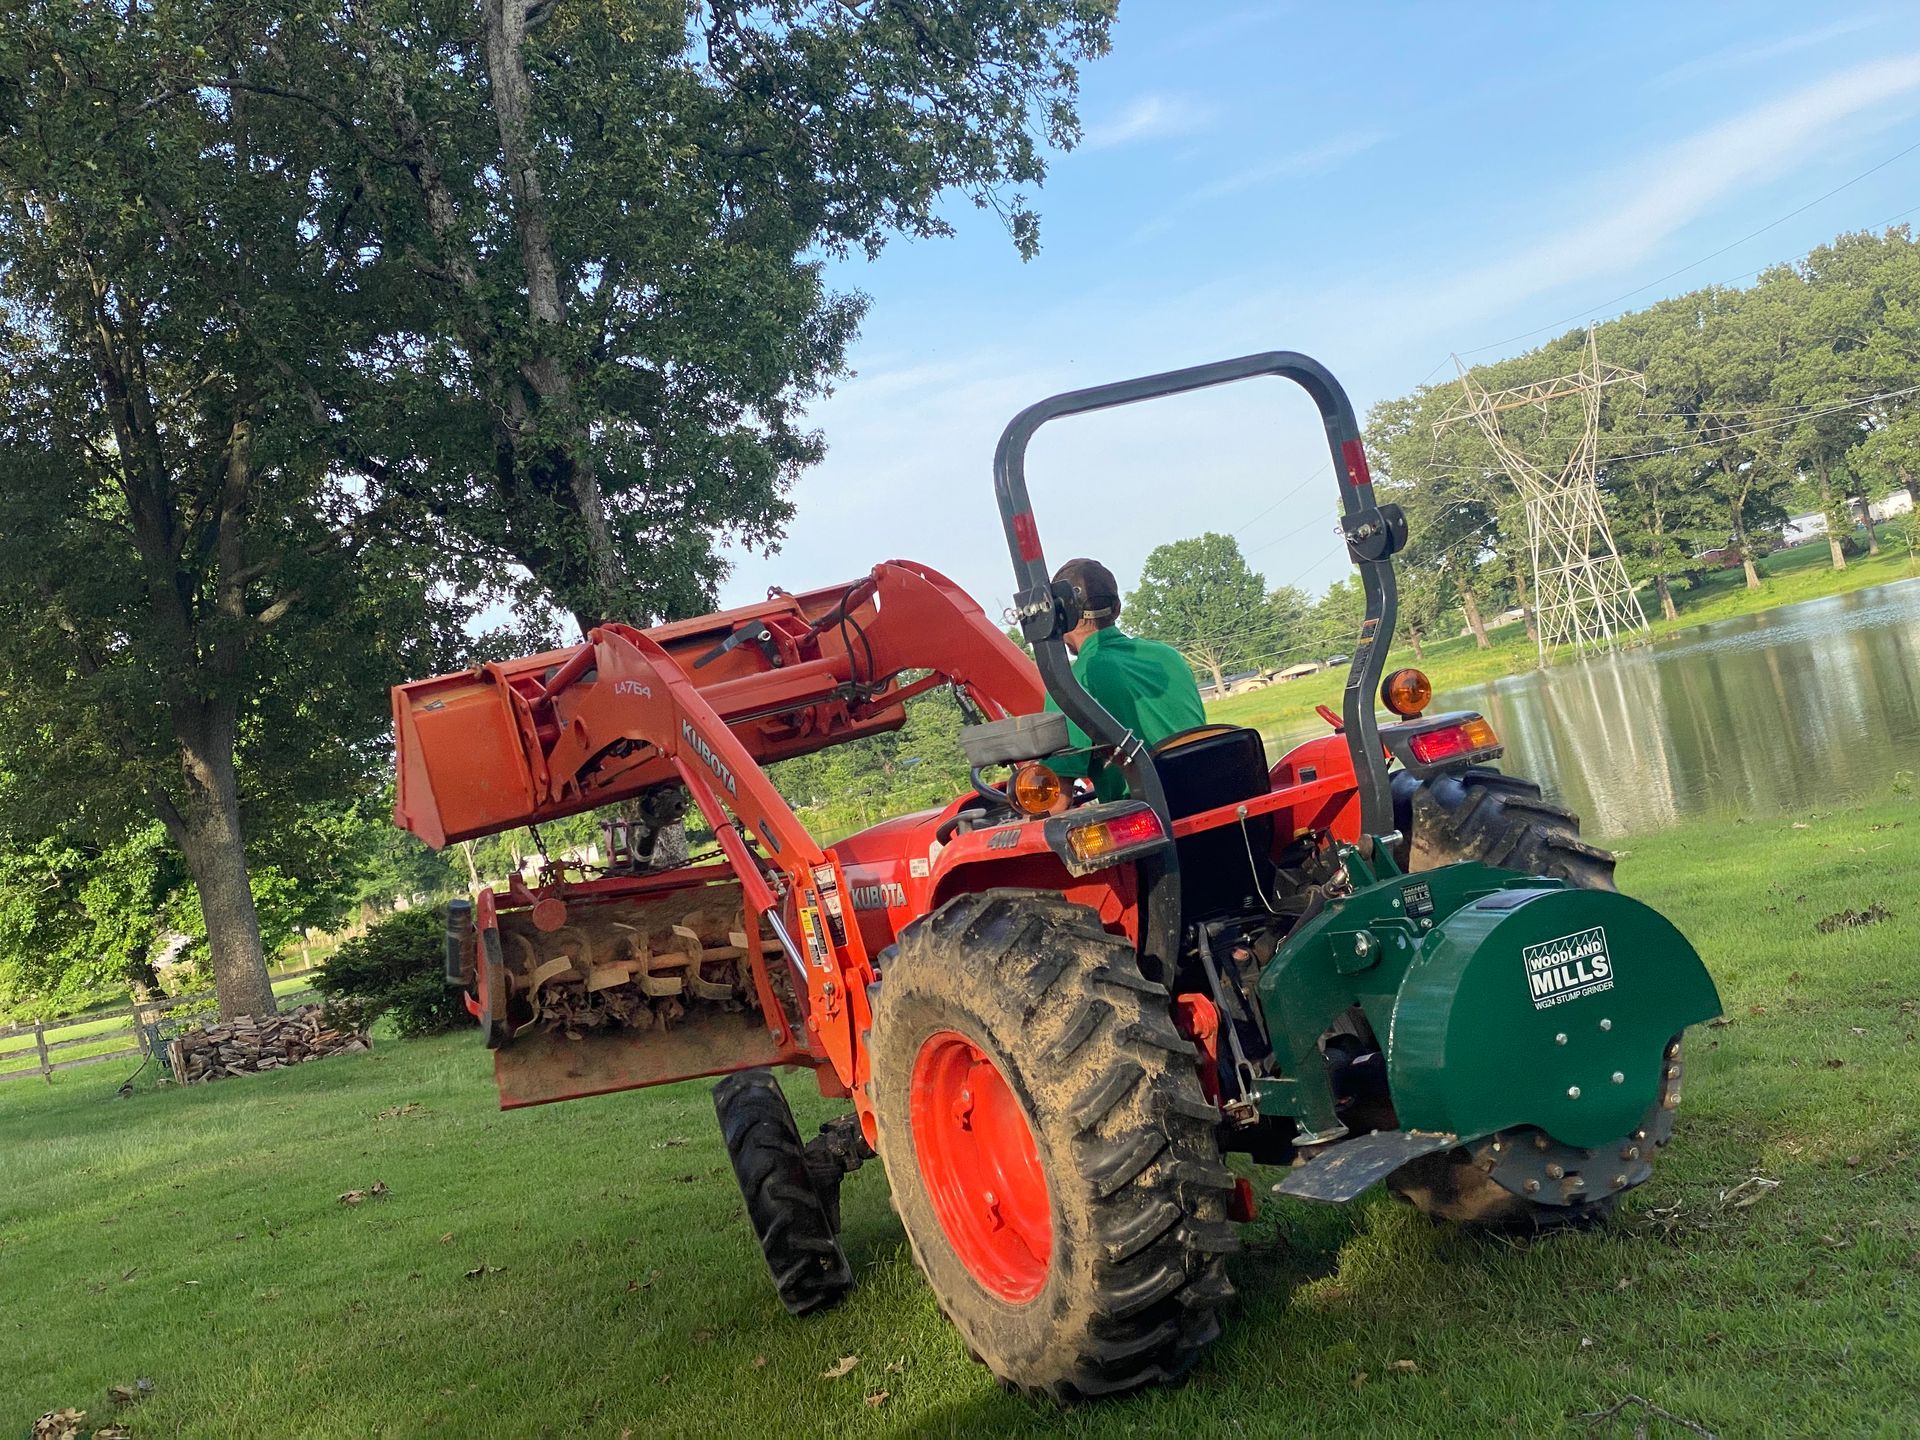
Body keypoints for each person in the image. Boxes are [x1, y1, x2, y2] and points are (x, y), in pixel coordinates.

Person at [1042, 558, 1205, 801]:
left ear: (1062, 616)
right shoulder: (1169, 657)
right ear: (1117, 608)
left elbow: (1057, 798)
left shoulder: (1070, 683)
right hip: (1212, 803)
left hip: (1151, 823)